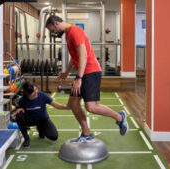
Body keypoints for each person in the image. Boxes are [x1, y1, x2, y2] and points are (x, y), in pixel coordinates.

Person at [46, 15, 128, 143]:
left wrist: (79, 78)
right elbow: (75, 57)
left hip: (90, 71)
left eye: (52, 30)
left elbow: (83, 55)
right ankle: (86, 134)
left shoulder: (75, 31)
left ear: (56, 23)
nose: (54, 33)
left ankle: (120, 117)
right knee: (73, 104)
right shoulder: (68, 34)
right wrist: (66, 72)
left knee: (91, 107)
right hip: (83, 72)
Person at [14, 81, 69, 148]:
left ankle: (40, 129)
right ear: (27, 93)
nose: (36, 91)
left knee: (54, 137)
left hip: (43, 120)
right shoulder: (22, 100)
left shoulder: (43, 95)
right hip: (30, 120)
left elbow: (55, 104)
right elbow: (20, 108)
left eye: (36, 89)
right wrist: (20, 109)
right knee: (19, 115)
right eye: (34, 91)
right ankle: (27, 139)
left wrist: (65, 107)